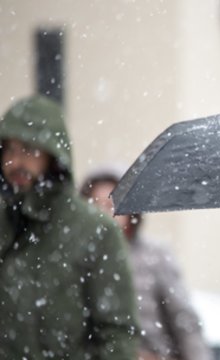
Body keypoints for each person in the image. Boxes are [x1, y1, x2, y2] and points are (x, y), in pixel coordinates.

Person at [0, 95, 138, 358]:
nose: (15, 162)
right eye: (10, 149)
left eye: (29, 150)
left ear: (53, 156)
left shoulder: (95, 232)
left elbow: (118, 332)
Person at [80, 166, 213, 360]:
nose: (103, 214)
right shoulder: (76, 258)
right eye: (95, 205)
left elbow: (184, 321)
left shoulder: (155, 256)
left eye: (110, 206)